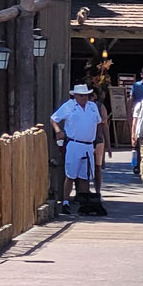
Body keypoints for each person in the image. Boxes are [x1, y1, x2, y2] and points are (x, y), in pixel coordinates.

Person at [51, 84, 103, 214]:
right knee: (71, 175)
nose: (84, 98)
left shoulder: (92, 107)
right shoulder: (69, 105)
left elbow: (98, 123)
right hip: (74, 143)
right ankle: (65, 201)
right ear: (75, 96)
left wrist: (99, 142)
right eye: (81, 95)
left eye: (85, 95)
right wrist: (58, 131)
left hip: (88, 144)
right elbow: (54, 119)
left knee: (85, 175)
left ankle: (83, 202)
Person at [90, 89, 111, 199]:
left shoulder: (99, 107)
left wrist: (108, 145)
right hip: (84, 140)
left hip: (98, 139)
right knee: (83, 168)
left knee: (97, 167)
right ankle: (83, 192)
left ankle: (98, 192)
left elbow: (105, 126)